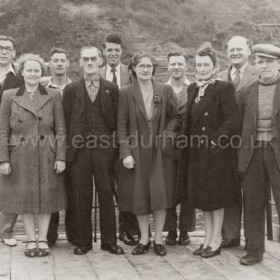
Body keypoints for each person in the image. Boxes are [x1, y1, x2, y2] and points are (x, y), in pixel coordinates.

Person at [0, 53, 66, 257]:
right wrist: (3, 158)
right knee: (25, 197)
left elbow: (61, 129)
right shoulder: (9, 95)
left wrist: (60, 156)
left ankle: (43, 239)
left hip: (47, 152)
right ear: (21, 71)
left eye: (37, 70)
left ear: (42, 72)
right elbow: (3, 129)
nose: (33, 74)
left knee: (47, 197)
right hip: (19, 154)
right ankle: (30, 240)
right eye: (29, 70)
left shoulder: (53, 95)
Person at [177, 45, 240, 258]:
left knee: (216, 197)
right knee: (204, 197)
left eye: (206, 65)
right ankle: (206, 240)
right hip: (196, 153)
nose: (202, 68)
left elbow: (233, 120)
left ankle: (216, 241)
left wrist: (215, 141)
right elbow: (188, 120)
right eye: (199, 65)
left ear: (215, 66)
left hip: (216, 154)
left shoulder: (224, 88)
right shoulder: (193, 88)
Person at [117, 51, 181, 256]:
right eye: (141, 66)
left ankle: (159, 239)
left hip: (160, 152)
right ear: (134, 69)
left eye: (148, 66)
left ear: (153, 68)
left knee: (160, 194)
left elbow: (176, 117)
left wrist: (168, 136)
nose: (145, 69)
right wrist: (125, 152)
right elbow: (121, 126)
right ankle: (144, 239)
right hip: (136, 152)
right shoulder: (125, 93)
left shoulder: (165, 90)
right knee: (140, 195)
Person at [63, 46, 124, 255]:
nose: (89, 63)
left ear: (100, 61)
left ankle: (109, 241)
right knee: (81, 195)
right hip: (79, 151)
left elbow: (117, 121)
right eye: (86, 59)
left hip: (105, 150)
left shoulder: (111, 88)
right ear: (80, 62)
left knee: (106, 193)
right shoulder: (71, 90)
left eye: (93, 59)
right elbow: (66, 120)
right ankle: (83, 241)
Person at [238, 44, 280, 265]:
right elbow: (240, 123)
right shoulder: (247, 90)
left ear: (278, 64)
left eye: (268, 62)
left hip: (277, 153)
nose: (263, 66)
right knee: (253, 203)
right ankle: (254, 251)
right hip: (253, 153)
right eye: (260, 62)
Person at [100, 34, 139, 246]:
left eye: (116, 50)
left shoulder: (129, 73)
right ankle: (109, 234)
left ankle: (129, 230)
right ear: (104, 52)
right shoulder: (96, 73)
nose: (113, 54)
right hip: (104, 141)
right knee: (107, 186)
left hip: (127, 138)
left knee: (127, 186)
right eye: (109, 50)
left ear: (121, 51)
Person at [219, 36, 258, 249]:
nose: (234, 53)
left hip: (251, 144)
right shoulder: (220, 76)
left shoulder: (258, 74)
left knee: (252, 192)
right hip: (226, 146)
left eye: (239, 49)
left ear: (248, 51)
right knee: (229, 190)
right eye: (231, 49)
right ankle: (231, 236)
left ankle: (253, 239)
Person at [40, 47, 72, 246]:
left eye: (63, 60)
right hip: (49, 146)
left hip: (75, 146)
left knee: (73, 190)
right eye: (55, 60)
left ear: (68, 63)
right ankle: (49, 235)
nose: (59, 63)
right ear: (49, 64)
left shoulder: (76, 86)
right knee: (50, 189)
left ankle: (73, 233)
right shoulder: (41, 87)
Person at [164, 51, 196, 246]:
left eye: (180, 64)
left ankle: (185, 230)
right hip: (167, 146)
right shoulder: (162, 88)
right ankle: (170, 230)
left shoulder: (193, 87)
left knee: (187, 187)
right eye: (173, 64)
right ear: (168, 67)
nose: (176, 67)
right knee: (168, 187)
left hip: (189, 146)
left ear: (186, 66)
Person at [0, 35, 23, 247]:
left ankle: (6, 231)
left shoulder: (20, 79)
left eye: (7, 48)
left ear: (13, 53)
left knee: (10, 184)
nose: (3, 51)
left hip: (9, 136)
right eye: (0, 48)